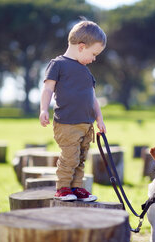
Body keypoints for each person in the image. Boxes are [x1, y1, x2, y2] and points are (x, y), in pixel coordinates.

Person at [39, 20, 106, 201]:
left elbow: (93, 99)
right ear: (82, 47)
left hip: (86, 124)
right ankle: (63, 188)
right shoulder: (58, 65)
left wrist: (99, 119)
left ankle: (76, 188)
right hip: (67, 123)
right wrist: (43, 109)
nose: (94, 59)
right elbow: (47, 89)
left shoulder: (86, 72)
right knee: (70, 157)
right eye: (94, 54)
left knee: (81, 158)